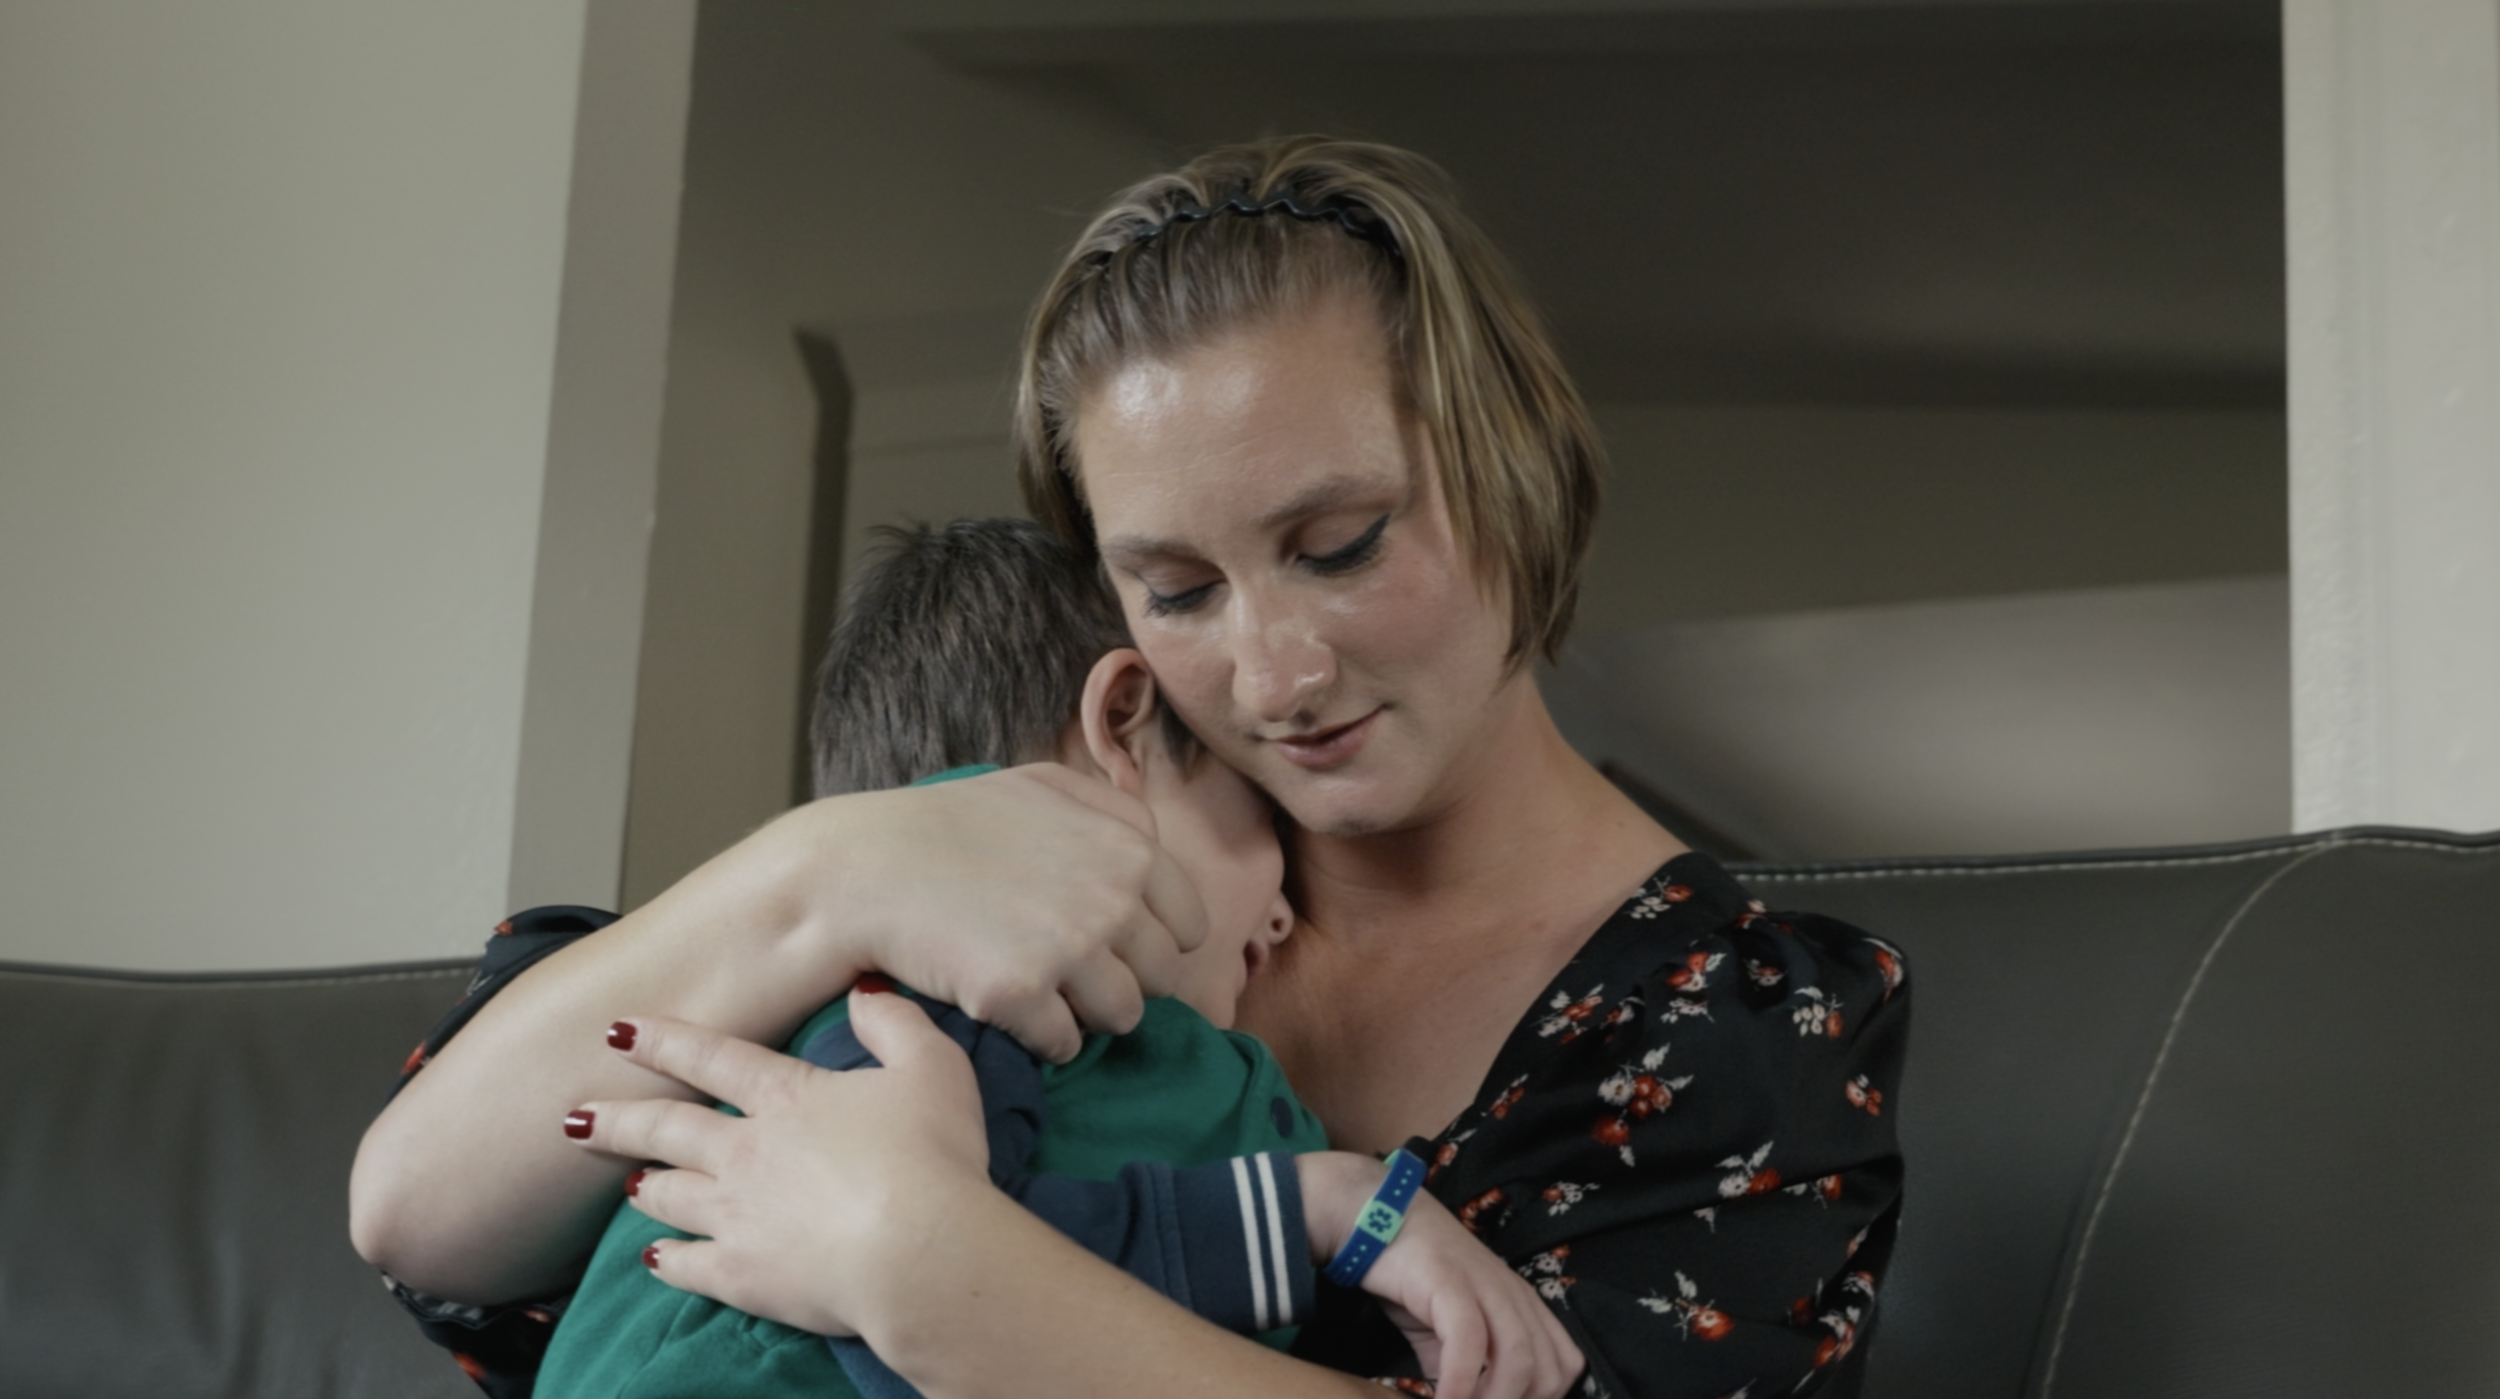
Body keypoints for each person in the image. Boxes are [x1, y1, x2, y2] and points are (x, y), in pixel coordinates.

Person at [352, 135, 1909, 1399]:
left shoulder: (1729, 1037)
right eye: (1177, 590)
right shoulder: (1011, 876)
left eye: (1342, 543)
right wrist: (821, 867)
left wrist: (924, 1267)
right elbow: (427, 1218)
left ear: (1512, 473)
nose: (1273, 677)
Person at [524, 518, 1577, 1399]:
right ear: (1121, 728)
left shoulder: (1116, 1053)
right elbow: (900, 1318)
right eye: (1261, 820)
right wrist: (1324, 1208)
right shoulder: (940, 992)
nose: (1284, 918)